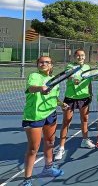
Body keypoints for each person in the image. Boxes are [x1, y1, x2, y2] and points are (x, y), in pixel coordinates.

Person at [22, 56, 65, 186]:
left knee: (50, 142)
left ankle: (48, 168)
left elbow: (54, 97)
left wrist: (62, 104)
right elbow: (31, 88)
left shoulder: (53, 80)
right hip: (34, 116)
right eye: (41, 62)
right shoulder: (34, 75)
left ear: (51, 65)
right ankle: (27, 180)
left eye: (47, 62)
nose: (44, 64)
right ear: (37, 64)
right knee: (33, 148)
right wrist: (42, 88)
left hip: (50, 114)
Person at [55, 49, 94, 161]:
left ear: (85, 56)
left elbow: (89, 81)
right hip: (71, 98)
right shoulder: (70, 66)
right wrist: (75, 80)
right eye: (78, 56)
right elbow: (70, 76)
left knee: (85, 119)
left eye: (82, 55)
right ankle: (61, 148)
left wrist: (90, 93)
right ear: (74, 57)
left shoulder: (87, 67)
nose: (80, 57)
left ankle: (85, 140)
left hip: (84, 97)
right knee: (66, 122)